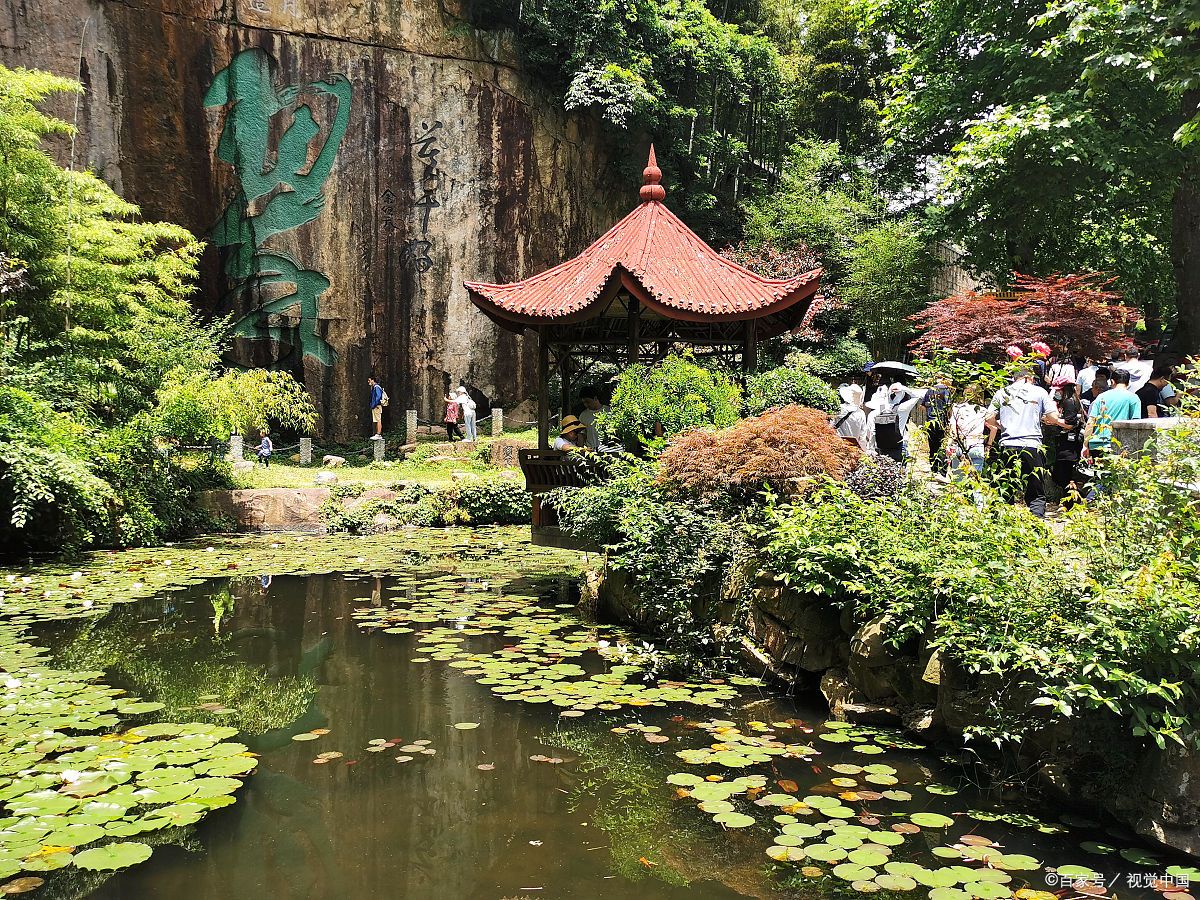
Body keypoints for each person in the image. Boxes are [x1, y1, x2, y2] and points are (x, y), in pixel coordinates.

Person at [985, 368, 1067, 518]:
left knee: (1004, 489)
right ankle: (1036, 524)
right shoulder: (1039, 391)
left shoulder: (1002, 392)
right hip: (1032, 446)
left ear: (1014, 378)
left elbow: (989, 417)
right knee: (1036, 492)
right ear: (1030, 378)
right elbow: (1053, 418)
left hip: (1007, 445)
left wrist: (1001, 426)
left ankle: (1002, 525)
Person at [1082, 369, 1141, 461]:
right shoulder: (1133, 398)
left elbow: (1090, 422)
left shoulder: (1101, 397)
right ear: (1128, 382)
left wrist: (1085, 445)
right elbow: (1135, 424)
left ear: (1112, 381)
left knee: (1099, 474)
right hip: (1120, 446)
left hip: (1097, 445)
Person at [1049, 377, 1085, 504]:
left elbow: (1069, 423)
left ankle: (1074, 500)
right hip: (1067, 443)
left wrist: (1053, 420)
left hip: (1068, 444)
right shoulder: (1071, 401)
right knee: (1063, 474)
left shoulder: (1070, 401)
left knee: (1062, 474)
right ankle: (1071, 501)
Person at [947, 385, 994, 477]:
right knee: (976, 481)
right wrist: (988, 446)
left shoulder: (957, 408)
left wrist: (949, 445)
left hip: (961, 445)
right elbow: (994, 428)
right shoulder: (983, 411)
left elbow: (953, 430)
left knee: (958, 481)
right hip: (977, 446)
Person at [866, 384, 920, 462]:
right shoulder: (902, 408)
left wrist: (870, 448)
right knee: (901, 471)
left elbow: (871, 432)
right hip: (899, 444)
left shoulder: (875, 412)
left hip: (881, 445)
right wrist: (903, 388)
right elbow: (916, 396)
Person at [921, 375, 954, 475]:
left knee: (932, 445)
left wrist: (929, 411)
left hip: (930, 421)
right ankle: (942, 471)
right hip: (941, 421)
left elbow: (922, 406)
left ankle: (933, 468)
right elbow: (949, 406)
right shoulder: (945, 390)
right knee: (942, 445)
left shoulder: (930, 390)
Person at [833, 384, 869, 451]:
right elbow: (862, 436)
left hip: (838, 446)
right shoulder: (861, 413)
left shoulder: (838, 410)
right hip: (854, 448)